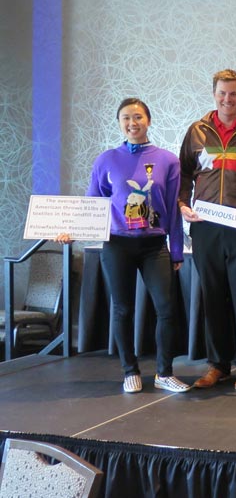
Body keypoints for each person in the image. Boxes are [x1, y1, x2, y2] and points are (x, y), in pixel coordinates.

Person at [57, 98, 189, 393]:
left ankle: (164, 373)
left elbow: (173, 207)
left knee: (166, 308)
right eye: (126, 117)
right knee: (122, 309)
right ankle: (130, 371)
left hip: (154, 245)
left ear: (148, 121)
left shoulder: (168, 160)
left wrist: (176, 250)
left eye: (138, 117)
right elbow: (93, 203)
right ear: (119, 123)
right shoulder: (106, 160)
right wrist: (72, 231)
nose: (132, 123)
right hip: (117, 244)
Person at [179, 69, 236, 391]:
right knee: (213, 296)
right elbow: (184, 174)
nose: (227, 99)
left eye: (233, 93)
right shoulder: (197, 131)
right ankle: (218, 365)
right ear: (214, 94)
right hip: (205, 227)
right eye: (222, 93)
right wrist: (182, 204)